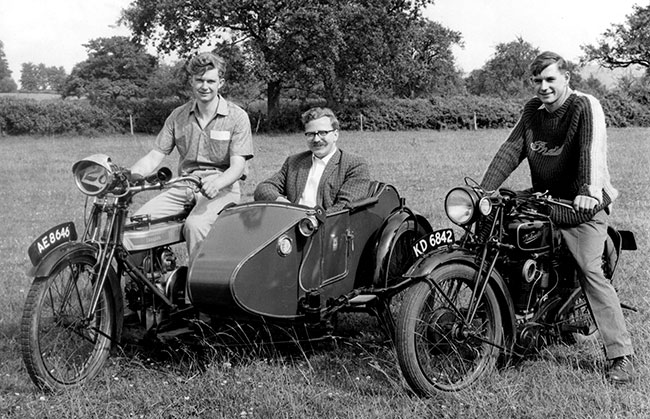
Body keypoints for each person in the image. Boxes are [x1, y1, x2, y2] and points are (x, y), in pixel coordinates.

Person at [480, 51, 634, 384]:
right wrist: (484, 189)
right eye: (537, 81)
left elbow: (591, 150)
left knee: (590, 270)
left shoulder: (584, 106)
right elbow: (511, 149)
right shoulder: (532, 111)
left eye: (550, 79)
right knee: (500, 244)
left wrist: (588, 190)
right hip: (546, 201)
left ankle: (620, 354)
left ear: (567, 78)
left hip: (582, 205)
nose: (544, 87)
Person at [130, 52, 254, 261]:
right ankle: (147, 288)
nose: (204, 86)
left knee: (195, 226)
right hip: (183, 186)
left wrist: (217, 183)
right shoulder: (178, 116)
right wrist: (131, 175)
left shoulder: (237, 117)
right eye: (199, 80)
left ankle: (199, 291)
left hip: (222, 187)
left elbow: (237, 167)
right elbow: (154, 156)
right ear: (192, 81)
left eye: (210, 81)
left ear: (220, 83)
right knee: (137, 224)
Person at [254, 107, 370, 212]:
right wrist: (285, 205)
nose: (316, 139)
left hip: (330, 230)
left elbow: (344, 207)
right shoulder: (294, 162)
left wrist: (311, 219)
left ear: (335, 134)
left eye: (322, 133)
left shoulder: (354, 164)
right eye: (310, 134)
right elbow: (263, 189)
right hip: (292, 225)